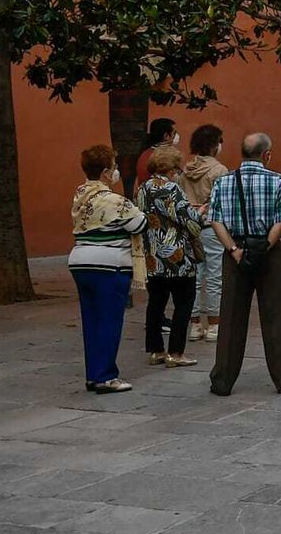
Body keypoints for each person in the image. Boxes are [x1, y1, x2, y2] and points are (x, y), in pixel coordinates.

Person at [207, 133, 281, 396]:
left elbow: (215, 220)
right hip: (267, 251)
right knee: (276, 315)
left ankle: (223, 380)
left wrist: (234, 250)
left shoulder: (223, 182)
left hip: (235, 250)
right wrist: (265, 246)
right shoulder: (277, 180)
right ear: (266, 154)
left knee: (231, 316)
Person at [69, 145, 147, 394]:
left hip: (81, 261)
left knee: (91, 320)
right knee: (109, 321)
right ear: (105, 172)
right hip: (109, 264)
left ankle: (94, 373)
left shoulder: (80, 195)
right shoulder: (114, 201)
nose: (115, 172)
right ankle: (106, 376)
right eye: (113, 167)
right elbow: (140, 223)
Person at [136, 145, 202, 368]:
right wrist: (200, 213)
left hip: (153, 256)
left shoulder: (143, 188)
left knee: (156, 303)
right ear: (172, 168)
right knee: (184, 303)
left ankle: (156, 350)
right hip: (177, 256)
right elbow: (189, 221)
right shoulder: (172, 189)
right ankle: (175, 351)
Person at [178, 123, 227, 343]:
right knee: (215, 276)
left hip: (189, 228)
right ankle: (215, 325)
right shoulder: (219, 170)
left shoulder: (185, 170)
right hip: (211, 227)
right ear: (215, 145)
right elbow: (222, 202)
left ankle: (195, 324)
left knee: (194, 277)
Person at [132, 117, 178, 196]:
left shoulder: (145, 154)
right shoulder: (164, 158)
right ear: (166, 136)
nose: (176, 136)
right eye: (174, 133)